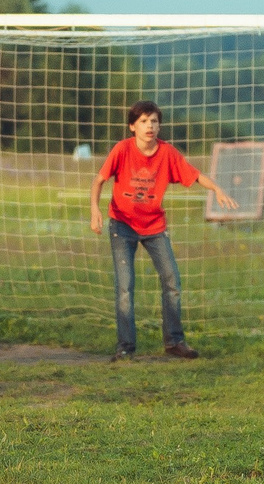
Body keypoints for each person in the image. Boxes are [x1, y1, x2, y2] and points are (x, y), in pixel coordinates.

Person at [88, 100, 236, 360]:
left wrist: (217, 188)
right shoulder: (122, 150)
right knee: (125, 286)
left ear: (159, 126)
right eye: (144, 121)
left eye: (154, 121)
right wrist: (95, 211)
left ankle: (174, 342)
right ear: (132, 126)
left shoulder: (167, 153)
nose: (150, 126)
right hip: (122, 225)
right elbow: (99, 180)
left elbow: (195, 174)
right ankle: (125, 348)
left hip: (155, 226)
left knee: (172, 281)